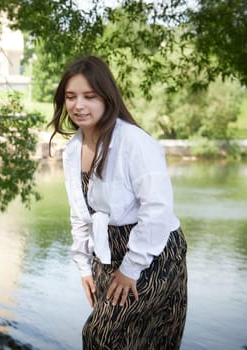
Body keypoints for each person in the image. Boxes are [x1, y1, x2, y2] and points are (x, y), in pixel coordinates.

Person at [49, 55, 187, 349]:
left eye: (89, 96)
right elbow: (79, 213)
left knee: (102, 338)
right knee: (129, 342)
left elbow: (157, 209)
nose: (78, 105)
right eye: (71, 97)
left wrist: (131, 268)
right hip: (105, 252)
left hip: (152, 253)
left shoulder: (134, 142)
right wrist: (84, 266)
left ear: (107, 98)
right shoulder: (73, 149)